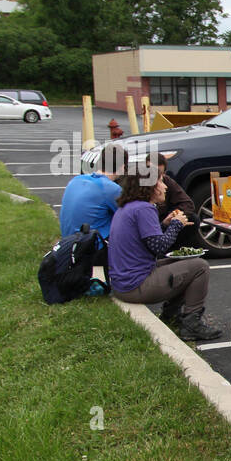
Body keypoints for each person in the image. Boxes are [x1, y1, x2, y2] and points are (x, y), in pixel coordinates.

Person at [107, 166, 222, 341]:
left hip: (122, 284)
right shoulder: (144, 209)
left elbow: (145, 242)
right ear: (149, 186)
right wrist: (175, 224)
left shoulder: (129, 207)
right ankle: (192, 324)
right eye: (160, 181)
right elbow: (159, 247)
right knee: (199, 267)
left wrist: (164, 225)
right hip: (134, 286)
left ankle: (171, 315)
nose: (165, 186)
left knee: (183, 262)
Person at [59, 144, 124, 264]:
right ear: (122, 167)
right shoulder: (111, 189)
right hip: (91, 250)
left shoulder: (76, 180)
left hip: (67, 244)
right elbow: (130, 216)